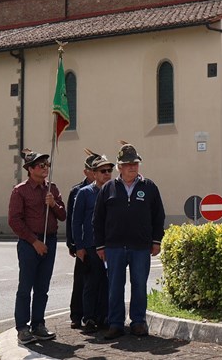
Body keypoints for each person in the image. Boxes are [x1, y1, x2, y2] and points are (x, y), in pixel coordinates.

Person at [93, 142, 165, 340]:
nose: (132, 167)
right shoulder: (108, 188)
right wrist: (100, 245)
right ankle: (115, 324)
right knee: (115, 286)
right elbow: (97, 219)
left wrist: (156, 240)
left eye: (135, 163)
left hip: (141, 247)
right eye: (127, 164)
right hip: (114, 247)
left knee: (139, 285)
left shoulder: (149, 187)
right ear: (120, 167)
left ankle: (138, 323)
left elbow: (158, 216)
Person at [8, 149, 66, 345]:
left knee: (42, 287)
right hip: (29, 244)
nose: (45, 168)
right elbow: (15, 221)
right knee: (25, 287)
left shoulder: (52, 189)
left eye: (47, 165)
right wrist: (34, 242)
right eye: (41, 165)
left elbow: (63, 215)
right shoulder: (20, 191)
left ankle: (38, 324)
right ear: (30, 169)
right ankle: (22, 328)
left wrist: (54, 204)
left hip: (49, 240)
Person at [72, 153, 114, 333]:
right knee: (91, 283)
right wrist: (79, 246)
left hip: (111, 245)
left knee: (107, 283)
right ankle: (88, 318)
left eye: (109, 171)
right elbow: (76, 221)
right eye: (103, 171)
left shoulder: (114, 191)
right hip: (90, 246)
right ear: (94, 174)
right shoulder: (84, 193)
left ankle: (103, 317)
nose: (107, 174)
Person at [65, 150, 101, 329]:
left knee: (98, 281)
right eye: (92, 168)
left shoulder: (105, 187)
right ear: (86, 171)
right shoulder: (77, 190)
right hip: (82, 244)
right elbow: (72, 218)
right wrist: (73, 244)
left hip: (97, 244)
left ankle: (96, 315)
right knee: (81, 280)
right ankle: (76, 315)